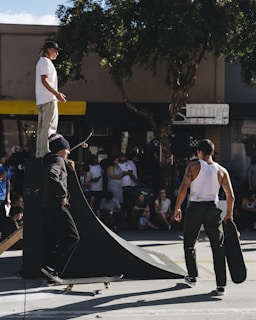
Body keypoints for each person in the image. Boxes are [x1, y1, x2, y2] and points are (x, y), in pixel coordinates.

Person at [174, 139, 235, 296]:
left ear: (199, 152)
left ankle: (192, 276)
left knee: (189, 243)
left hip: (195, 208)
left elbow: (183, 187)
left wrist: (177, 207)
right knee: (218, 247)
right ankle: (221, 285)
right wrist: (229, 214)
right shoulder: (222, 171)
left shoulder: (193, 166)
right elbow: (231, 196)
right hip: (212, 209)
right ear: (212, 152)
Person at [41, 133, 80, 282]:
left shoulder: (53, 159)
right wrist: (62, 194)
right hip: (57, 205)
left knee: (54, 238)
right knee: (73, 237)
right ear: (61, 149)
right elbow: (53, 174)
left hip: (48, 205)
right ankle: (53, 268)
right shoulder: (57, 160)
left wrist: (67, 163)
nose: (69, 152)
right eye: (67, 149)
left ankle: (50, 268)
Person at [35, 41, 66, 158]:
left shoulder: (42, 62)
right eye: (55, 50)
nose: (57, 53)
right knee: (49, 127)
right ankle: (45, 151)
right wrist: (57, 94)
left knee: (43, 128)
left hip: (43, 99)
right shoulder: (45, 62)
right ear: (49, 50)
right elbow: (44, 80)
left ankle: (40, 152)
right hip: (48, 99)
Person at [0, 151, 11, 221]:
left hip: (3, 197)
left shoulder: (5, 168)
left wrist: (8, 197)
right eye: (4, 158)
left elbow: (8, 183)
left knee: (3, 216)